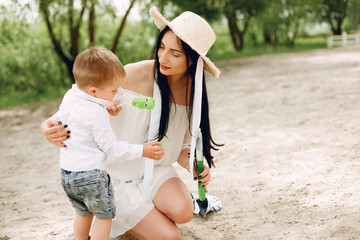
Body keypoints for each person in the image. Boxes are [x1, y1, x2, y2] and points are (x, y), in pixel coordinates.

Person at [41, 7, 222, 239]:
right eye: (162, 47)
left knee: (184, 211)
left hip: (154, 169)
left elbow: (182, 148)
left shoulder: (192, 92)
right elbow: (83, 95)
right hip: (117, 174)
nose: (163, 57)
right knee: (171, 237)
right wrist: (48, 125)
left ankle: (142, 214)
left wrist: (195, 167)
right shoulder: (134, 74)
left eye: (175, 54)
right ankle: (118, 214)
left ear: (193, 60)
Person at [53, 46, 164, 240]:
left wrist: (106, 102)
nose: (117, 93)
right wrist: (142, 150)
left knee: (83, 213)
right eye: (113, 90)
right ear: (94, 91)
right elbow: (113, 148)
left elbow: (84, 108)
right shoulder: (97, 114)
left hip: (67, 175)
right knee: (104, 217)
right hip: (91, 177)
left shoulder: (71, 96)